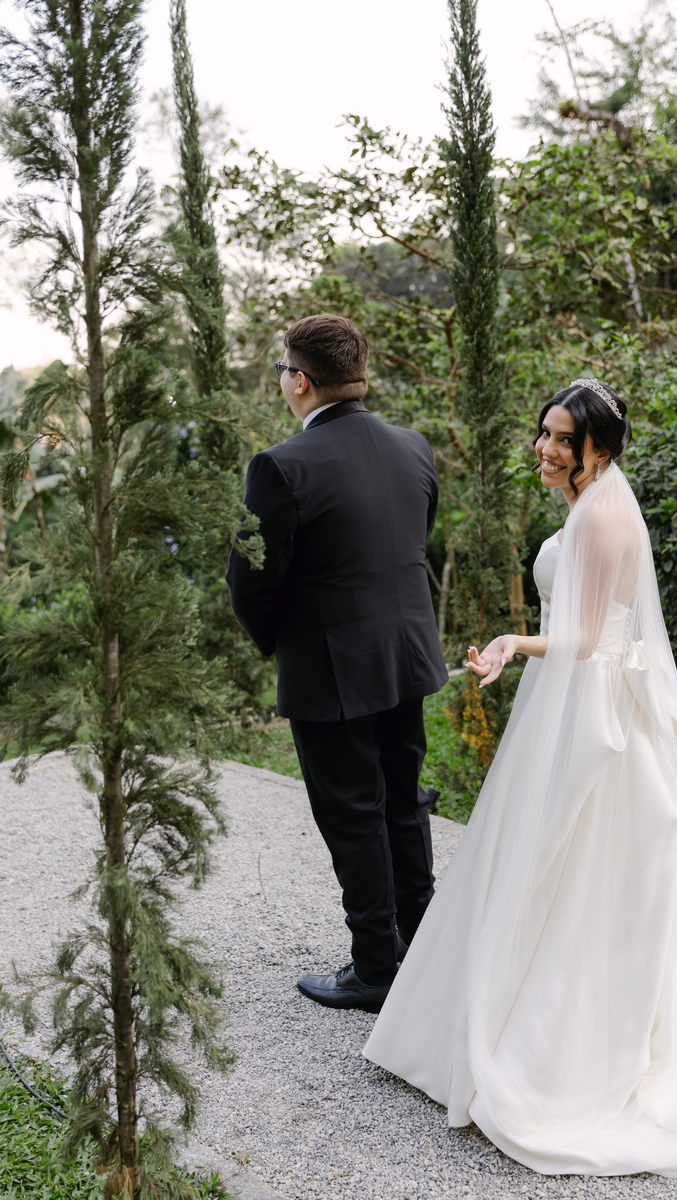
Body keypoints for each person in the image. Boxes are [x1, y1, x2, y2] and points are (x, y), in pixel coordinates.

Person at [364, 379, 677, 1190]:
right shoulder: (597, 500)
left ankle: (553, 1044)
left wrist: (512, 642)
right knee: (548, 856)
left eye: (564, 439)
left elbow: (590, 637)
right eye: (546, 432)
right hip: (576, 696)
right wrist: (523, 646)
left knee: (572, 859)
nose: (547, 448)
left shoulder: (600, 515)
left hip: (590, 707)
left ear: (597, 447)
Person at [226, 313, 448, 1013]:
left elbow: (250, 581)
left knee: (352, 816)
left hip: (330, 669)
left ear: (300, 381)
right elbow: (412, 541)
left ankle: (376, 967)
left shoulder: (279, 466)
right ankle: (426, 950)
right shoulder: (413, 447)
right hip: (407, 657)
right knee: (404, 802)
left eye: (282, 371)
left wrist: (284, 641)